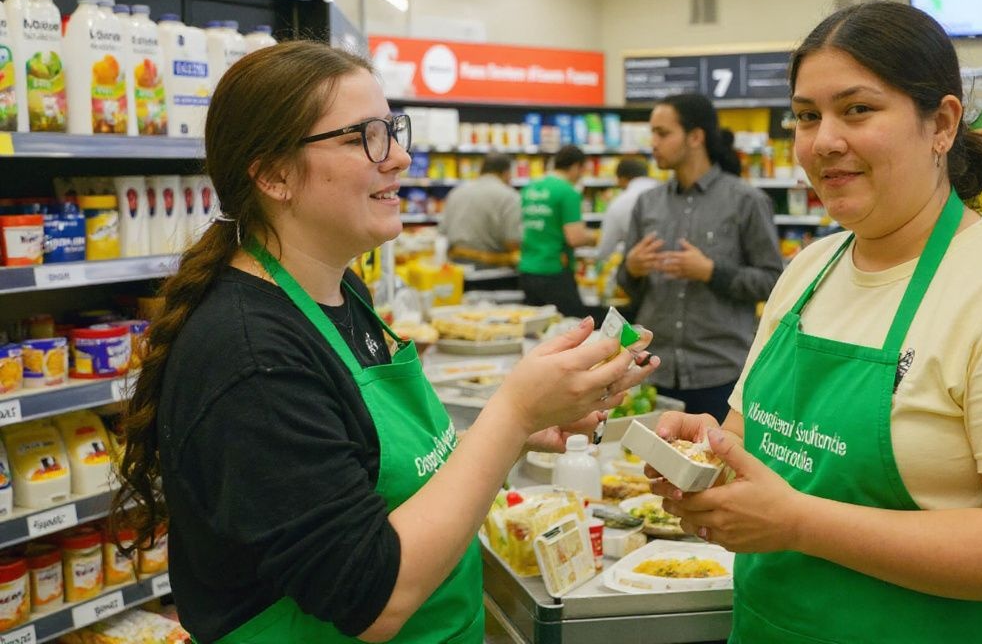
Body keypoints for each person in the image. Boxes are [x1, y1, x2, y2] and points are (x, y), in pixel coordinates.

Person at [113, 41, 657, 644]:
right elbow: (373, 597)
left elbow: (362, 470)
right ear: (272, 174)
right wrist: (512, 412)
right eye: (362, 137)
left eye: (393, 130)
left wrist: (516, 434)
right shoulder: (252, 358)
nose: (399, 157)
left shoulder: (342, 292)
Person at [651, 2, 982, 644]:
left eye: (857, 109)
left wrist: (799, 522)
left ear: (941, 124)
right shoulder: (808, 271)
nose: (824, 140)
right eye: (807, 116)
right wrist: (706, 455)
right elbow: (749, 441)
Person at [618, 94, 783, 421]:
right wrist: (631, 269)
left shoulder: (746, 201)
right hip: (654, 371)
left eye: (663, 133)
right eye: (652, 133)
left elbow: (773, 281)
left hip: (721, 376)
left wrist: (711, 272)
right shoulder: (646, 203)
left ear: (696, 137)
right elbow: (627, 286)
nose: (653, 143)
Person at [518, 144, 601, 321]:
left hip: (527, 268)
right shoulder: (568, 192)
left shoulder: (530, 188)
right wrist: (596, 237)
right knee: (574, 326)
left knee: (537, 329)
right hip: (554, 270)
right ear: (576, 166)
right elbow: (575, 238)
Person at [439, 151, 521, 266]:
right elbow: (513, 243)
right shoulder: (510, 196)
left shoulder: (456, 192)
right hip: (492, 271)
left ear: (481, 170)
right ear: (506, 173)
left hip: (455, 268)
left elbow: (442, 232)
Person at [595, 156, 659, 264]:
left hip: (637, 265)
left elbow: (605, 249)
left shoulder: (618, 203)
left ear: (622, 179)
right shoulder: (667, 193)